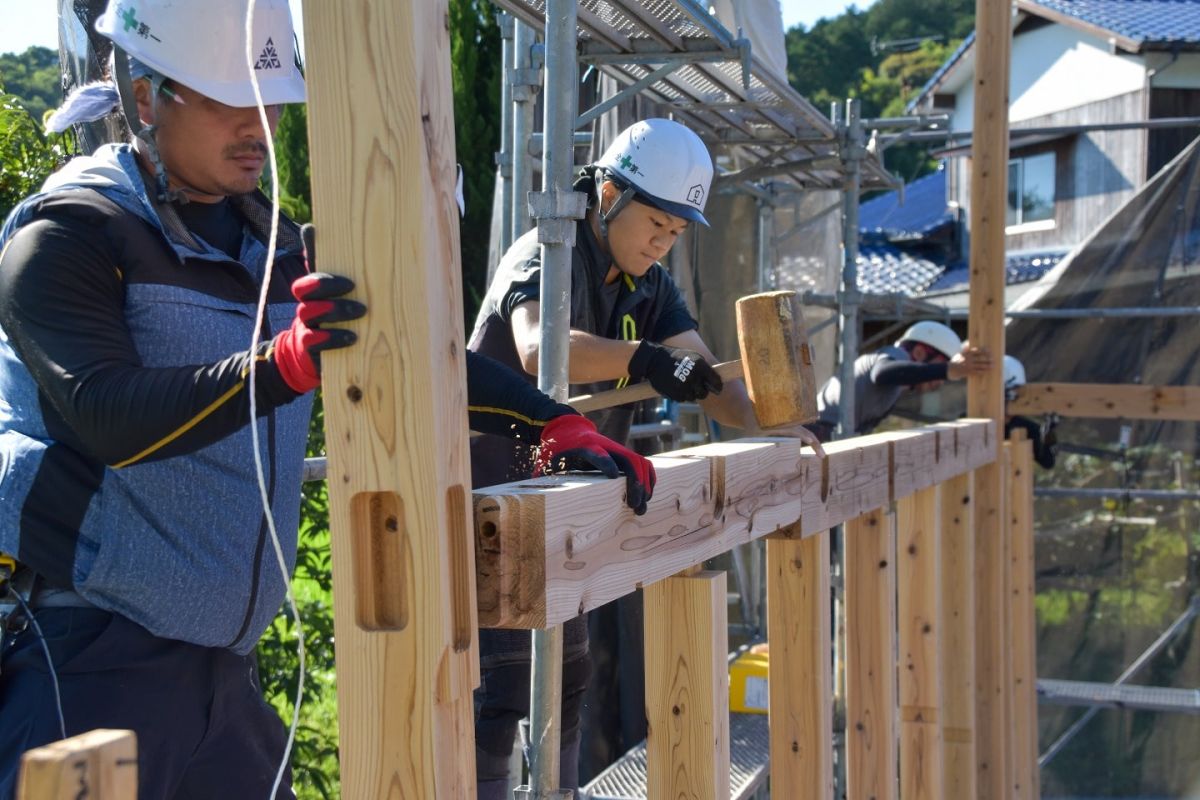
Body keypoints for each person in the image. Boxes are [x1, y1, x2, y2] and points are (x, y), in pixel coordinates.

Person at [0, 2, 654, 797]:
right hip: (88, 658)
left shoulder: (263, 236)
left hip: (219, 674)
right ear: (145, 97)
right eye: (228, 101)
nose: (261, 126)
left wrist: (549, 419)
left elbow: (405, 357)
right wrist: (282, 364)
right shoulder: (67, 234)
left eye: (270, 101)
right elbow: (105, 414)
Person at [467, 117, 824, 797]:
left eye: (676, 232)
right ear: (608, 195)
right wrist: (646, 360)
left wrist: (770, 427)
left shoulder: (651, 284)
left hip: (571, 498)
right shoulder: (549, 249)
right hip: (494, 492)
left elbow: (704, 378)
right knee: (506, 685)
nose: (662, 241)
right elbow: (543, 350)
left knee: (568, 678)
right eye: (655, 223)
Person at [810, 320, 992, 441]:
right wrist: (948, 370)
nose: (939, 382)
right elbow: (883, 373)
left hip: (823, 435)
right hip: (817, 433)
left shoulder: (897, 380)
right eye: (940, 364)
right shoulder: (895, 355)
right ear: (919, 353)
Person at [1003, 354, 1058, 468]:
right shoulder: (973, 423)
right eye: (1008, 395)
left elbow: (1048, 462)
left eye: (1015, 395)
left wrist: (1048, 437)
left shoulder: (1027, 428)